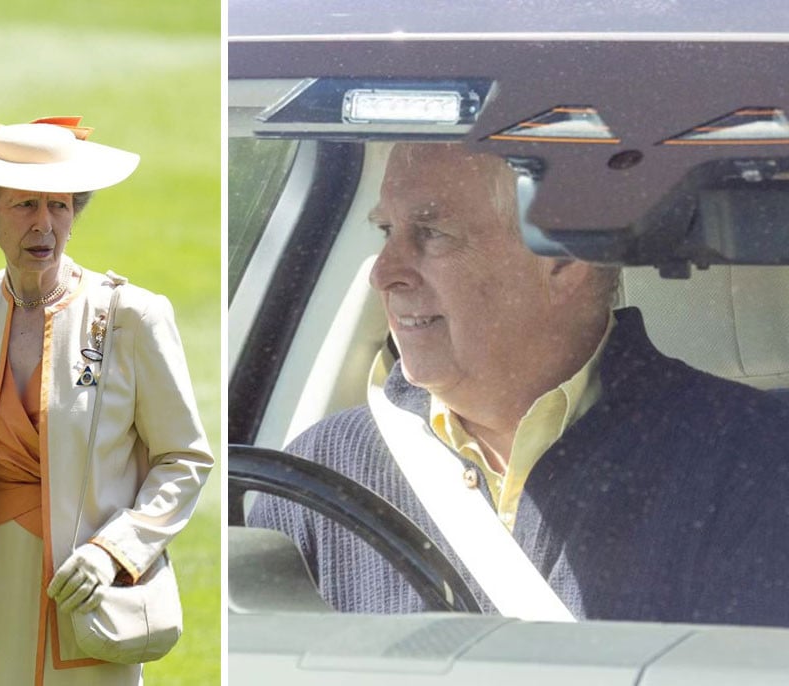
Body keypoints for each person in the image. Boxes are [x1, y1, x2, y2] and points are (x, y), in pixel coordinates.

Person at [248, 142, 789, 626]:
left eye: (431, 234)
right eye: (387, 231)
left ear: (563, 258)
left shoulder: (757, 464)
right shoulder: (319, 477)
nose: (383, 272)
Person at [0, 117, 214, 685]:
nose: (44, 224)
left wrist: (114, 551)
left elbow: (185, 460)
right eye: (24, 206)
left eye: (60, 207)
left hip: (83, 599)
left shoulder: (133, 316)